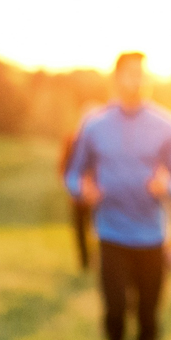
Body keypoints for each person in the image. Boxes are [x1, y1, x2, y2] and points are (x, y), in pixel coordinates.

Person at [64, 53, 171, 340]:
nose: (136, 81)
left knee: (149, 315)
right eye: (129, 74)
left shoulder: (169, 126)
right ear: (116, 79)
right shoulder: (94, 125)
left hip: (152, 237)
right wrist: (83, 189)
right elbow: (74, 174)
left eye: (142, 74)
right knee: (116, 308)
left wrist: (167, 186)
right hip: (111, 233)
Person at [60, 101, 102, 273]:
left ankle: (99, 260)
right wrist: (72, 187)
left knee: (98, 229)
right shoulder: (72, 140)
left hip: (98, 194)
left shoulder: (102, 143)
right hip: (78, 194)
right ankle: (84, 263)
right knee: (80, 230)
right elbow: (64, 166)